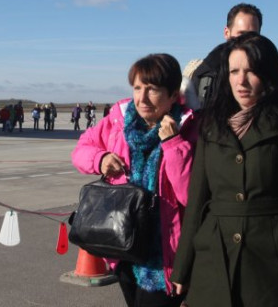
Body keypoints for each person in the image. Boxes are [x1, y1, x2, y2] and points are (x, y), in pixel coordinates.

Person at [171, 33, 278, 306]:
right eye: (234, 71)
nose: (241, 81)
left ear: (269, 74)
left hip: (272, 262)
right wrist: (183, 267)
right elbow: (198, 199)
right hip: (214, 258)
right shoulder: (213, 124)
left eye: (251, 71)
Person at [72, 53, 198, 307]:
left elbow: (190, 195)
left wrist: (174, 145)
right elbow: (80, 151)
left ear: (174, 94)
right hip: (122, 244)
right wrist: (100, 158)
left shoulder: (191, 128)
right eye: (137, 88)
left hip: (164, 254)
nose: (141, 98)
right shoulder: (118, 121)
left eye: (152, 90)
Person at [191, 3, 262, 108]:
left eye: (252, 35)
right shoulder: (208, 74)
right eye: (241, 34)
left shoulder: (269, 71)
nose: (247, 41)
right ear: (226, 33)